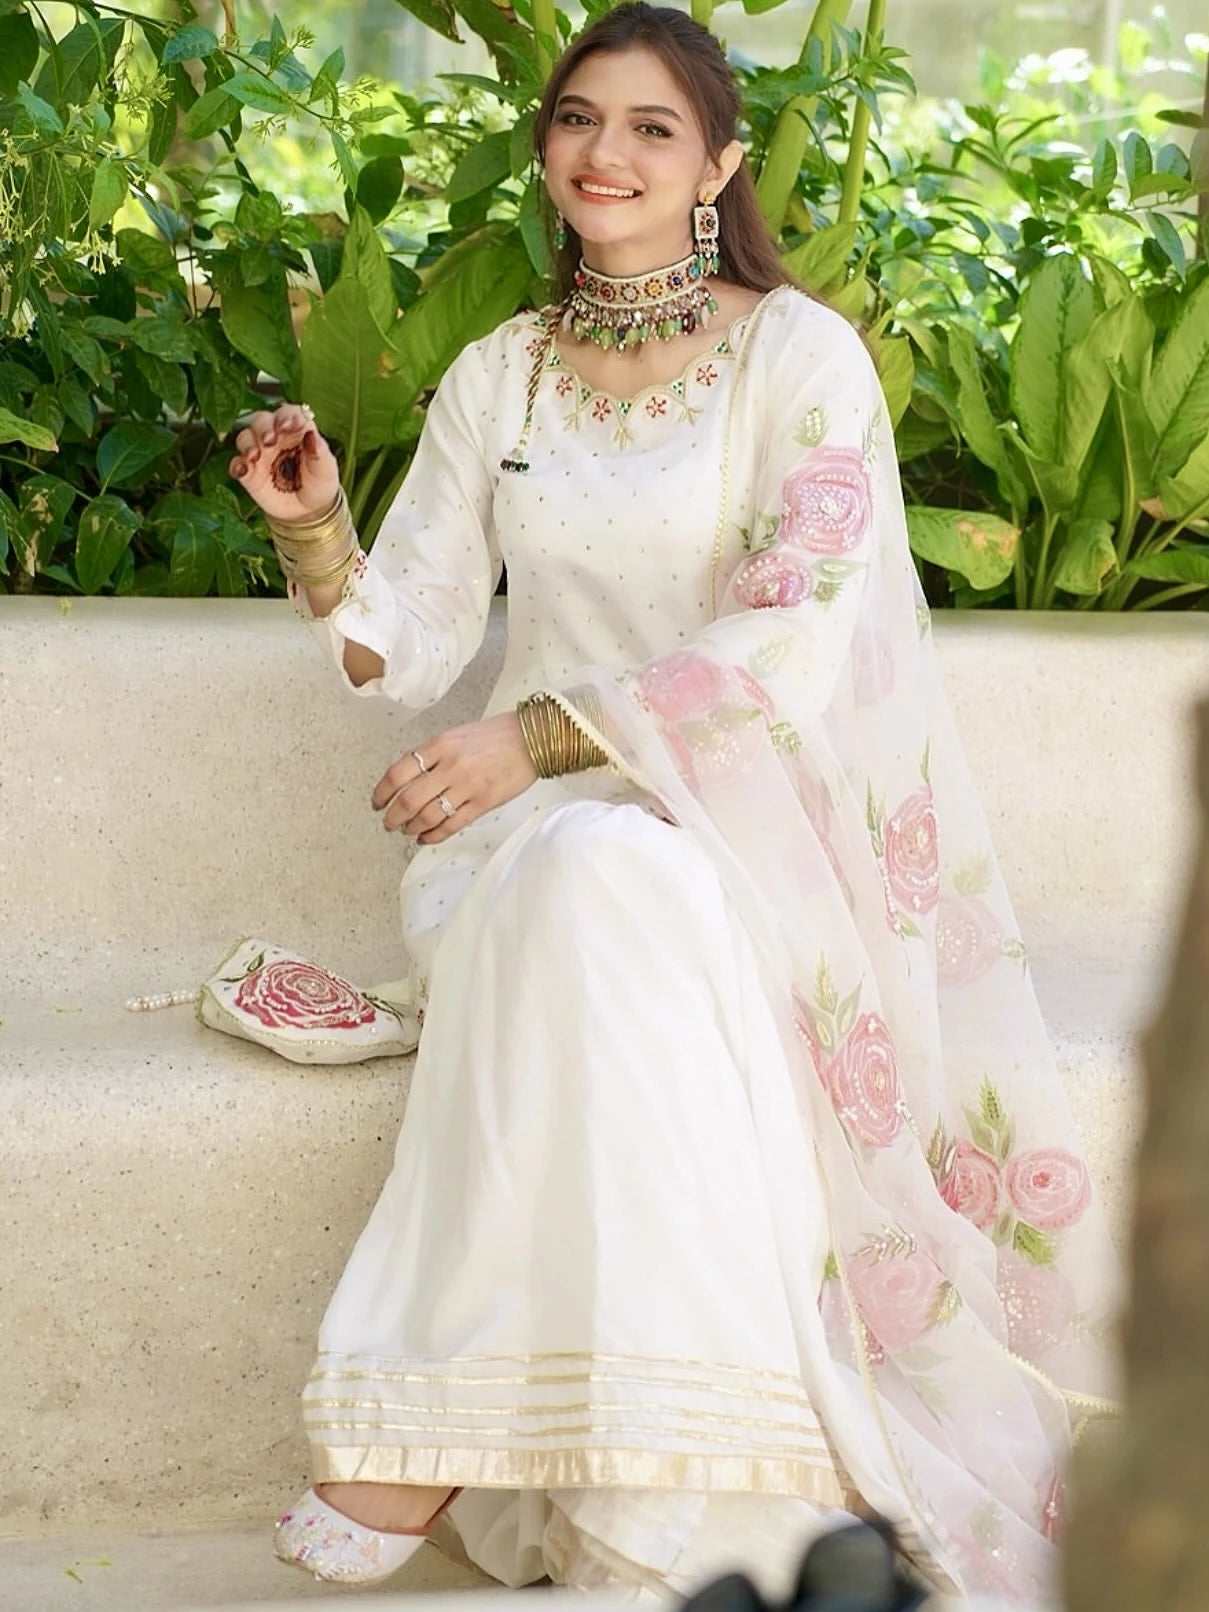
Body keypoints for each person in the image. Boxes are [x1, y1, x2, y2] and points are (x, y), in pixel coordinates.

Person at [228, 4, 1119, 1602]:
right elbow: (406, 643)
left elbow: (793, 624)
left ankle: (444, 1431)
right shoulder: (500, 377)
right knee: (581, 882)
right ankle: (674, 1481)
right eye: (578, 119)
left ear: (715, 162)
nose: (606, 152)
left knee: (614, 885)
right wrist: (314, 537)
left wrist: (545, 742)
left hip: (750, 842)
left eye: (650, 126)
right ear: (546, 149)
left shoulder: (796, 356)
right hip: (509, 852)